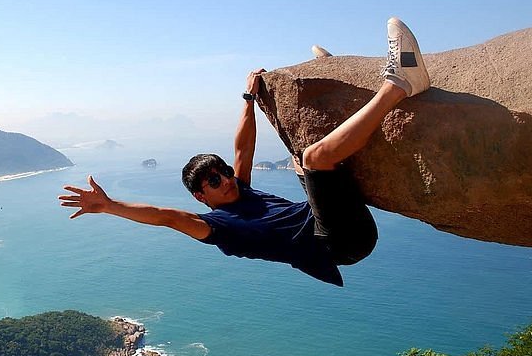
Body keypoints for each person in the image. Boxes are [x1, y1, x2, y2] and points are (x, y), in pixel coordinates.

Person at [59, 17, 431, 286]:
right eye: (213, 181)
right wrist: (109, 206)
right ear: (201, 197)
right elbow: (165, 216)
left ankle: (333, 84)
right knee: (315, 159)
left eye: (221, 171)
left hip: (332, 223)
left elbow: (243, 148)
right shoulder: (219, 228)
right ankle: (400, 83)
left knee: (301, 161)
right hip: (340, 242)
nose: (225, 180)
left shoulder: (240, 188)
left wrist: (249, 99)